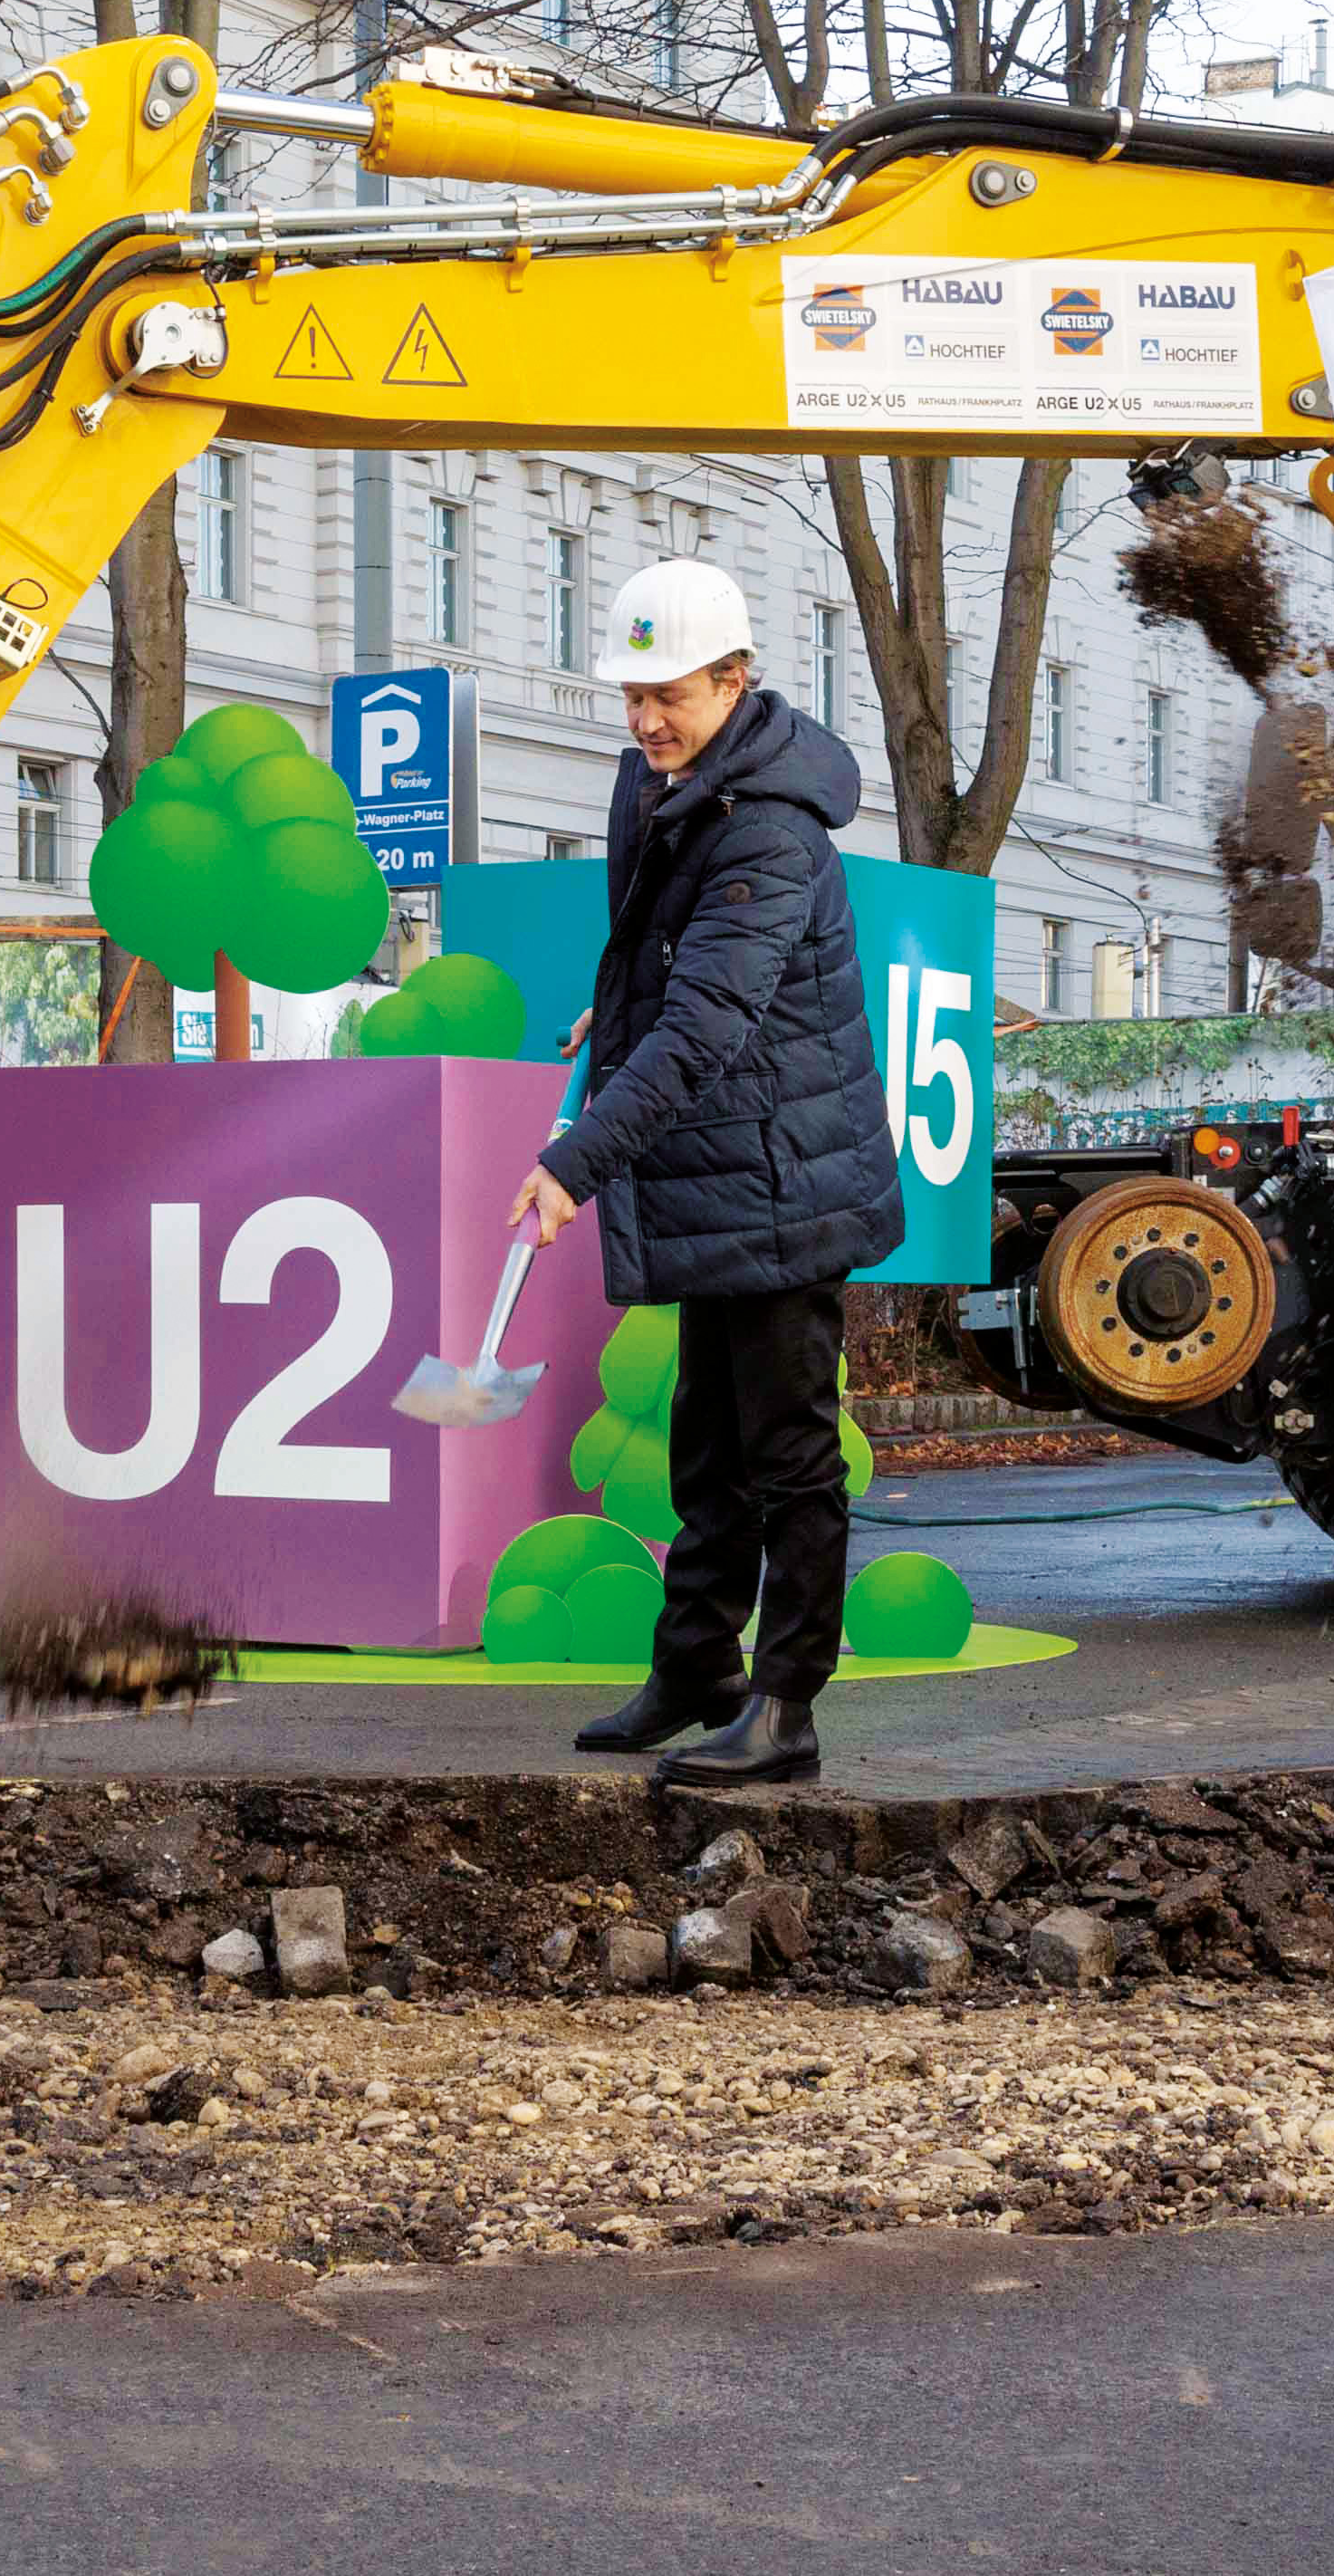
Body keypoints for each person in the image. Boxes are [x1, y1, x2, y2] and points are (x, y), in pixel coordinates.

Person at [512, 562, 904, 1789]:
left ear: (735, 681)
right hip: (720, 1163)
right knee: (702, 1439)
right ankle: (695, 1666)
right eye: (630, 696)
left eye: (666, 694)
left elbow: (706, 1026)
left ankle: (784, 1704)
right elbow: (655, 945)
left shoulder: (772, 832)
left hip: (786, 1170)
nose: (642, 719)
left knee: (788, 1451)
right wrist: (605, 1007)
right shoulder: (665, 777)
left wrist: (574, 1164)